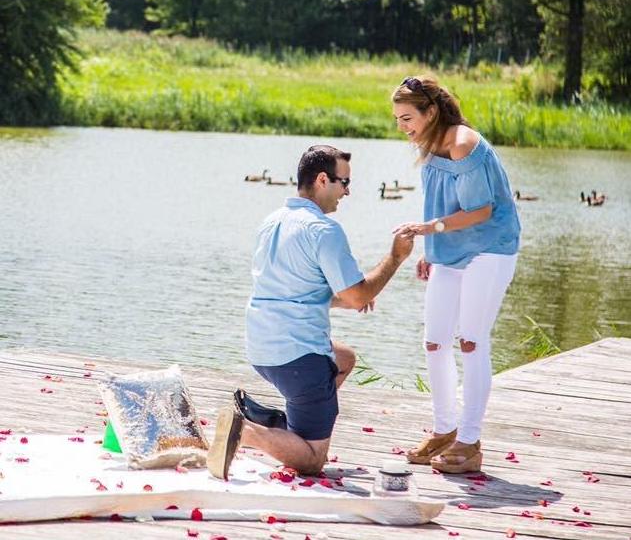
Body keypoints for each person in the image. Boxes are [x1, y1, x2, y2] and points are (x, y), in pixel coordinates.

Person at [207, 144, 414, 480]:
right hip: (297, 357)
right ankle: (245, 430)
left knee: (344, 358)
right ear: (322, 180)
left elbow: (297, 290)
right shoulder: (323, 230)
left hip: (261, 349)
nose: (347, 192)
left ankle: (278, 422)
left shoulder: (272, 221)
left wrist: (342, 298)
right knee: (313, 460)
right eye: (344, 182)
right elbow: (360, 296)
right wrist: (395, 257)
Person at [391, 75, 521, 474]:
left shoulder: (463, 143)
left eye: (408, 117)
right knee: (434, 342)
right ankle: (445, 429)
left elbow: (480, 211)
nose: (402, 127)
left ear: (431, 112)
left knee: (471, 341)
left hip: (491, 248)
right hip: (451, 250)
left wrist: (430, 230)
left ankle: (470, 439)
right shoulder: (429, 145)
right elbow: (440, 202)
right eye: (397, 119)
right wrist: (433, 251)